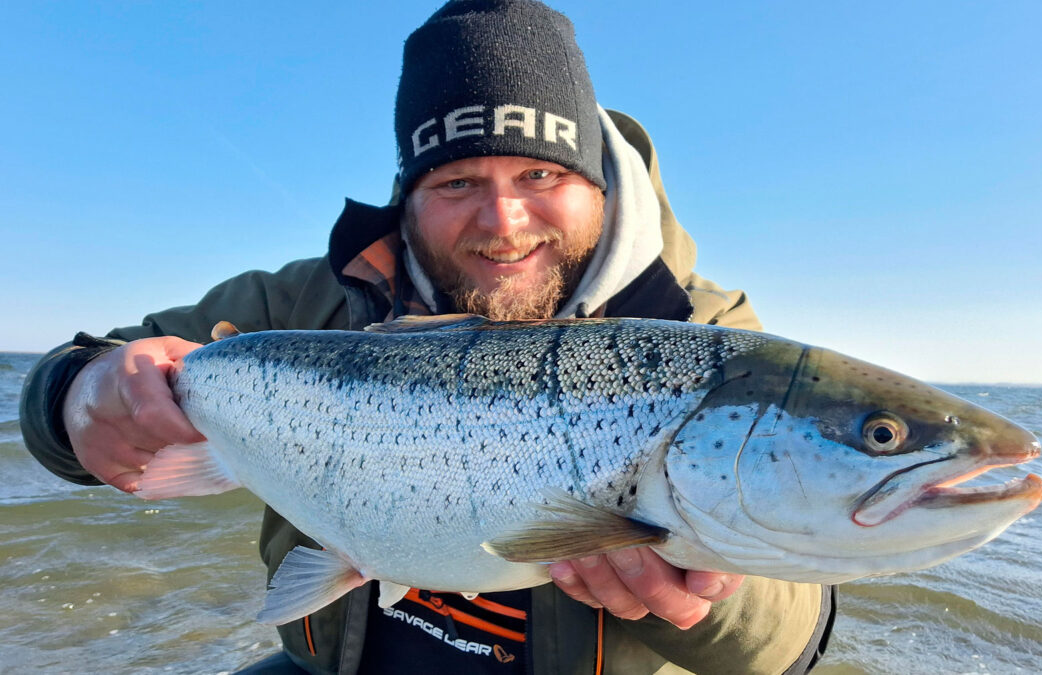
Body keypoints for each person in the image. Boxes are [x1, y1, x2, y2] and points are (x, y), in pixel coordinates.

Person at [20, 1, 834, 673]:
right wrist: (82, 393)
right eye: (458, 182)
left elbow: (796, 638)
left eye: (541, 175)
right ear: (409, 193)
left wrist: (707, 598)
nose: (504, 222)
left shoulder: (705, 337)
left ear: (597, 185)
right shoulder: (302, 301)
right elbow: (69, 384)